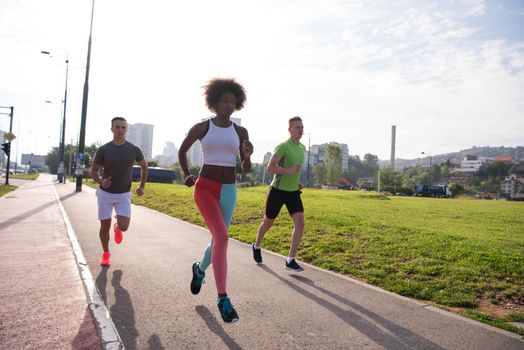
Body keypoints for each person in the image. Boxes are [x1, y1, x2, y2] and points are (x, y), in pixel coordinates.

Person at [178, 78, 253, 323]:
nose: (229, 105)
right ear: (214, 102)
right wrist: (187, 174)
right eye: (224, 101)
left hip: (229, 189)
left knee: (218, 239)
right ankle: (223, 299)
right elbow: (182, 151)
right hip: (205, 189)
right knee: (222, 236)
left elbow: (246, 167)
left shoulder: (241, 132)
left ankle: (199, 270)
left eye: (233, 102)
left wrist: (248, 157)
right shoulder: (202, 128)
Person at [90, 117, 148, 267]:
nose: (120, 130)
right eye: (117, 127)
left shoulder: (134, 149)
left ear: (126, 129)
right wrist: (101, 181)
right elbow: (93, 170)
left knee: (124, 226)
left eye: (123, 127)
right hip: (105, 193)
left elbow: (144, 167)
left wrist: (142, 186)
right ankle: (106, 254)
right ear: (112, 129)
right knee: (104, 226)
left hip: (123, 194)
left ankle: (117, 228)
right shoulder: (104, 150)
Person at [252, 116, 306, 271]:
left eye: (302, 127)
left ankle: (291, 259)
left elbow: (295, 170)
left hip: (293, 192)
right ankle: (256, 245)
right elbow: (270, 167)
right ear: (289, 130)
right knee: (268, 223)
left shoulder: (302, 148)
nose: (300, 130)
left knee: (300, 223)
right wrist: (289, 172)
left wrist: (296, 181)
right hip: (277, 191)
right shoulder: (283, 147)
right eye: (297, 127)